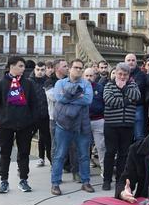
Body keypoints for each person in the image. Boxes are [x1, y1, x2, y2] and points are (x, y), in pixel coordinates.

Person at [0, 56, 40, 194]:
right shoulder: (1, 84)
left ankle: (23, 180)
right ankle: (4, 181)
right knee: (5, 153)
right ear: (12, 66)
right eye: (20, 66)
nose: (23, 69)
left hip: (25, 125)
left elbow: (35, 104)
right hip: (5, 126)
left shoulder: (28, 84)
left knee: (24, 153)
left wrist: (32, 122)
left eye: (24, 66)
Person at [50, 59, 94, 196]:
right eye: (76, 67)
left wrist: (68, 96)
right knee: (59, 155)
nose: (79, 70)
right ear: (69, 68)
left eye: (81, 68)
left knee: (84, 155)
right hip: (63, 125)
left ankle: (86, 182)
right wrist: (78, 95)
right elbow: (59, 98)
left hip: (82, 125)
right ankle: (55, 183)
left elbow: (88, 100)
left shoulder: (86, 84)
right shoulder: (60, 83)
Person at [102, 62, 142, 191]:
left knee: (124, 154)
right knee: (110, 153)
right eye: (120, 74)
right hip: (111, 125)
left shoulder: (132, 85)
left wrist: (124, 89)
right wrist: (127, 101)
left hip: (127, 125)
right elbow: (109, 101)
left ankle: (120, 180)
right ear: (116, 73)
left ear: (128, 75)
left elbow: (137, 96)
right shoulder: (109, 85)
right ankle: (107, 180)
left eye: (125, 74)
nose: (122, 77)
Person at [29, 62, 52, 167]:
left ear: (45, 70)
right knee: (26, 140)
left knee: (47, 139)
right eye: (38, 69)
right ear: (34, 69)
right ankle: (22, 166)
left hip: (45, 116)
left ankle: (51, 162)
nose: (40, 72)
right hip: (32, 117)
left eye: (42, 70)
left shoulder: (48, 81)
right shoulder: (29, 82)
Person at [125, 53, 149, 142]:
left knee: (139, 135)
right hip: (125, 108)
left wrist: (124, 88)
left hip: (137, 107)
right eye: (128, 60)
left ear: (136, 62)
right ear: (125, 62)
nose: (131, 62)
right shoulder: (121, 74)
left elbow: (137, 90)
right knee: (127, 137)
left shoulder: (141, 75)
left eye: (133, 60)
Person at [86, 67, 106, 172]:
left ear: (95, 76)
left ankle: (104, 168)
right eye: (86, 76)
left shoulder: (100, 88)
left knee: (101, 146)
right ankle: (85, 168)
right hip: (85, 121)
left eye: (91, 76)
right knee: (85, 146)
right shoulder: (80, 88)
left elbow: (105, 103)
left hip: (98, 120)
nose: (89, 78)